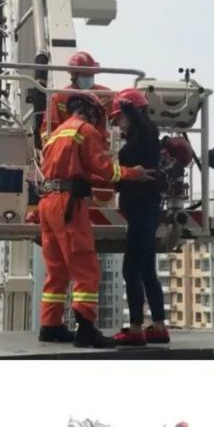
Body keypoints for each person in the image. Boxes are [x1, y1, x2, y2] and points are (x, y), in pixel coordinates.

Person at [36, 91, 154, 348]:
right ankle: (86, 329)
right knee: (85, 266)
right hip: (68, 203)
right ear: (90, 112)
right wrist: (133, 173)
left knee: (56, 270)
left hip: (47, 202)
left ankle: (50, 325)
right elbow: (105, 169)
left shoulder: (55, 134)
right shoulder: (85, 131)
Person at [108, 89, 169, 346]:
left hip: (142, 211)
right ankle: (158, 326)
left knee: (130, 269)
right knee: (146, 270)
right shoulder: (147, 140)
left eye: (119, 118)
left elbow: (142, 126)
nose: (118, 124)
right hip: (147, 210)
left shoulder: (141, 140)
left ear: (131, 115)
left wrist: (127, 106)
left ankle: (135, 329)